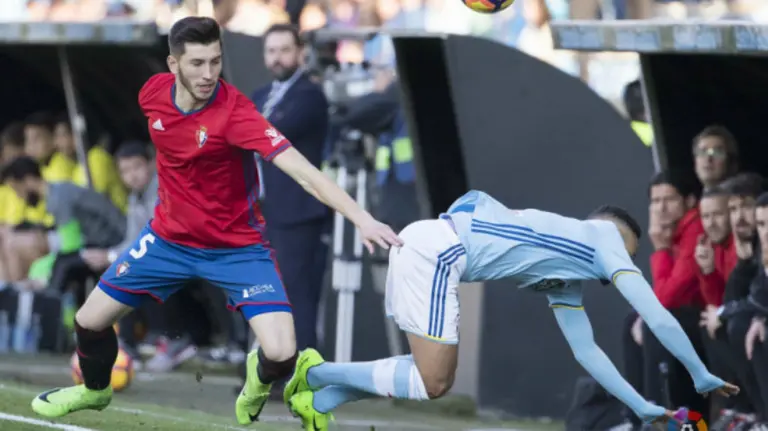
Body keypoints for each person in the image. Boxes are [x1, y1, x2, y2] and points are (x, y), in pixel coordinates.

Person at [29, 16, 401, 423]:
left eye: (215, 62)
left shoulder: (236, 114)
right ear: (173, 65)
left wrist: (362, 219)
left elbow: (305, 172)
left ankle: (257, 380)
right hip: (168, 240)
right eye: (197, 63)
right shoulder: (151, 94)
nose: (208, 75)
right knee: (88, 321)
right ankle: (93, 390)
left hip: (236, 248)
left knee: (280, 353)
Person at [283, 190, 739, 431]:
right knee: (436, 380)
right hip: (439, 254)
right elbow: (656, 314)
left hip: (427, 247)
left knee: (428, 375)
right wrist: (699, 375)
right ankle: (319, 373)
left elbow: (588, 353)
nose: (618, 266)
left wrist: (641, 406)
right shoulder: (601, 238)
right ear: (611, 232)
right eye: (628, 250)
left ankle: (321, 389)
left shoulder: (564, 276)